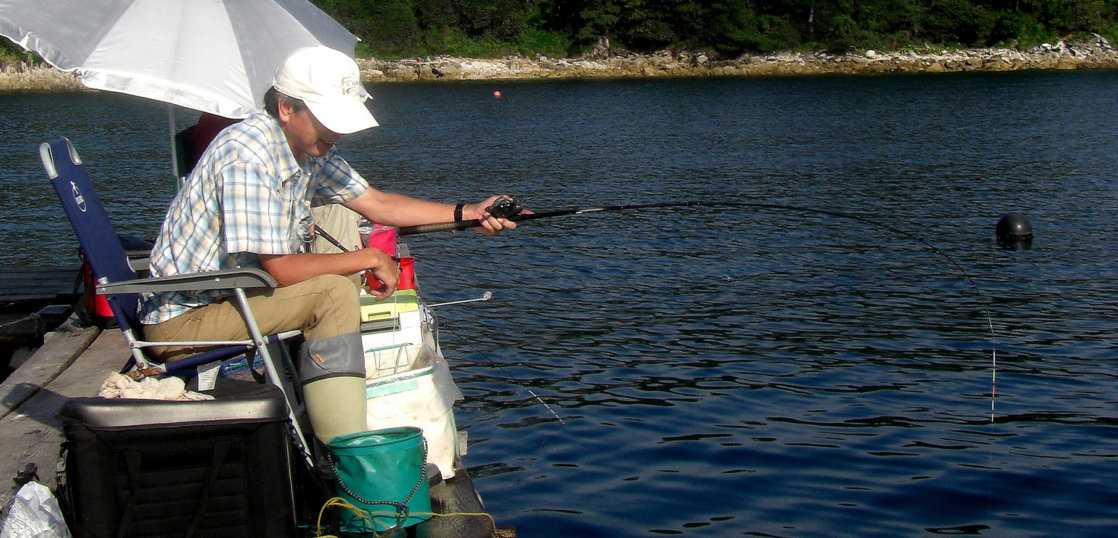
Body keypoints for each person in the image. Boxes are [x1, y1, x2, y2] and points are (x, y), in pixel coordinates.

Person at [138, 45, 518, 445]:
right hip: (184, 322)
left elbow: (377, 203)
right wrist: (370, 256)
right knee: (333, 293)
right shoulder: (248, 155)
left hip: (234, 297)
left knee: (336, 281)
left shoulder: (306, 147)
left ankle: (331, 417)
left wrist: (469, 211)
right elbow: (281, 270)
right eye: (327, 119)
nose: (335, 132)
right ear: (286, 108)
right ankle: (348, 450)